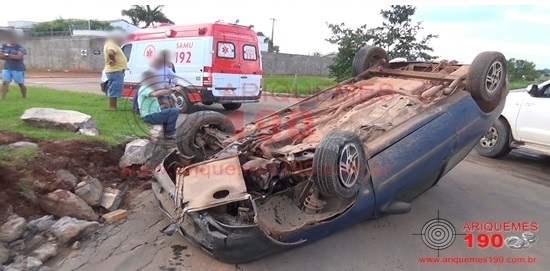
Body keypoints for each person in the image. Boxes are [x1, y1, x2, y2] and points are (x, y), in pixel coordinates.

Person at [137, 70, 181, 139]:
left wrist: (171, 89)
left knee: (167, 110)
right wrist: (171, 90)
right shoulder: (145, 87)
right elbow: (155, 94)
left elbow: (158, 94)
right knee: (174, 111)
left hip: (153, 113)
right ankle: (170, 133)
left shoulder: (149, 87)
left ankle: (168, 131)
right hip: (150, 116)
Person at [103, 31, 128, 110]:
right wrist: (112, 60)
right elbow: (110, 53)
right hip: (115, 71)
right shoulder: (111, 44)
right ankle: (113, 108)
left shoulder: (110, 44)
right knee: (114, 90)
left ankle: (113, 107)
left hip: (115, 71)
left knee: (114, 89)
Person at [0, 32, 27, 100]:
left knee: (20, 83)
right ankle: (2, 98)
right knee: (5, 82)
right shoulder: (3, 46)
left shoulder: (20, 47)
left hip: (17, 68)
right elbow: (0, 56)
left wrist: (6, 55)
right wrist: (12, 56)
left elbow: (18, 57)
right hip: (6, 67)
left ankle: (24, 97)